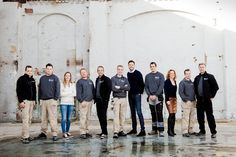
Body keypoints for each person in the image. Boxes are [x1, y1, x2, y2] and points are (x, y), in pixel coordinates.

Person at [194, 63, 219, 138]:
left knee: (210, 116)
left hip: (207, 100)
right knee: (200, 117)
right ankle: (202, 131)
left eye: (203, 67)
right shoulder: (197, 78)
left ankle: (213, 132)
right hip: (199, 100)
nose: (201, 68)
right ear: (198, 68)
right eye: (200, 67)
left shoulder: (210, 76)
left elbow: (216, 87)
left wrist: (212, 96)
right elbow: (195, 88)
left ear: (205, 67)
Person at [37, 63, 60, 141]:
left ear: (52, 70)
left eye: (50, 69)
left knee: (52, 118)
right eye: (48, 69)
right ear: (45, 69)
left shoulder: (55, 78)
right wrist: (39, 99)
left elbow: (57, 89)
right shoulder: (42, 78)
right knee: (43, 118)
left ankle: (54, 134)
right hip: (43, 101)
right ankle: (43, 133)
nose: (49, 70)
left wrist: (55, 99)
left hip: (51, 100)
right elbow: (39, 89)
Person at [16, 65, 36, 144]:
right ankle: (25, 137)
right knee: (25, 119)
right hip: (25, 102)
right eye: (28, 70)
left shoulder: (33, 80)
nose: (29, 72)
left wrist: (34, 100)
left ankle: (24, 135)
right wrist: (21, 101)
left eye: (31, 70)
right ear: (25, 71)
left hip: (31, 102)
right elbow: (18, 91)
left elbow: (34, 91)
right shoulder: (21, 79)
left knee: (29, 119)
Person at [145, 62, 165, 137]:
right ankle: (154, 129)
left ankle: (161, 130)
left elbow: (161, 86)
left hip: (158, 97)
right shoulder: (147, 76)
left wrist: (156, 95)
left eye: (153, 66)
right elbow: (146, 87)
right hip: (150, 97)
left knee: (159, 113)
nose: (152, 67)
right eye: (151, 66)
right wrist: (150, 95)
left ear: (156, 67)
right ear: (150, 67)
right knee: (153, 114)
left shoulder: (160, 75)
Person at [127, 60, 146, 136]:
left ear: (134, 65)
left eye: (132, 65)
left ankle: (142, 130)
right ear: (128, 66)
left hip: (137, 95)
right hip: (130, 95)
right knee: (132, 113)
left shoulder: (138, 73)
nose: (131, 66)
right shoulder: (128, 74)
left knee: (139, 112)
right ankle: (134, 129)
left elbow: (142, 84)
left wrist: (139, 92)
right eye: (129, 65)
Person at [111, 65, 130, 138]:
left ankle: (121, 130)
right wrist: (123, 88)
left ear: (123, 70)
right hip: (116, 99)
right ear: (117, 70)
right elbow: (113, 88)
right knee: (116, 115)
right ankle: (116, 131)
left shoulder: (125, 79)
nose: (120, 71)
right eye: (119, 69)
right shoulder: (113, 78)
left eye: (121, 69)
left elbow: (128, 88)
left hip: (123, 99)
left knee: (122, 115)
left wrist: (119, 87)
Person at [76, 68, 95, 139]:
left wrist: (93, 99)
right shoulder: (79, 82)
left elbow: (93, 90)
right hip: (83, 102)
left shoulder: (90, 81)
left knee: (88, 118)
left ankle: (86, 131)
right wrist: (81, 101)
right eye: (82, 72)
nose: (83, 73)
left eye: (85, 72)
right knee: (83, 117)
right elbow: (78, 93)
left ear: (87, 73)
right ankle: (82, 132)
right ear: (81, 74)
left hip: (90, 102)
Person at [95, 66, 112, 139]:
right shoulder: (97, 79)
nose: (100, 71)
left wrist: (106, 100)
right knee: (99, 116)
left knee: (103, 116)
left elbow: (109, 90)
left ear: (103, 71)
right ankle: (102, 131)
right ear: (97, 71)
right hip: (98, 101)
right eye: (99, 70)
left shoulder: (106, 79)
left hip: (103, 101)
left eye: (101, 70)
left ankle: (105, 132)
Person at [179, 69, 197, 137]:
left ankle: (190, 130)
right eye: (187, 74)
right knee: (185, 117)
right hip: (186, 102)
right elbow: (181, 92)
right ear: (184, 74)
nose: (188, 75)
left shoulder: (192, 82)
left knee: (192, 117)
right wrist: (186, 99)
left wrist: (195, 100)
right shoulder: (182, 82)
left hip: (193, 102)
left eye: (189, 73)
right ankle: (184, 131)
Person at [60, 72, 76, 138]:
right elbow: (61, 94)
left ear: (70, 77)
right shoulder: (61, 84)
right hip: (63, 103)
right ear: (64, 76)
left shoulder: (72, 84)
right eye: (66, 76)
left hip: (71, 103)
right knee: (64, 119)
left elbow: (74, 94)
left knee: (69, 119)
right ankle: (64, 132)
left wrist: (65, 92)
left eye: (69, 76)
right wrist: (70, 93)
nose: (67, 77)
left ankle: (67, 131)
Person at [164, 69, 177, 137]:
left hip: (174, 100)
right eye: (171, 73)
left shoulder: (174, 81)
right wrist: (167, 100)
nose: (172, 74)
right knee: (171, 114)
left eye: (173, 73)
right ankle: (169, 131)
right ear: (169, 74)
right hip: (169, 99)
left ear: (174, 74)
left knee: (174, 115)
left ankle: (172, 130)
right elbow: (166, 91)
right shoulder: (167, 81)